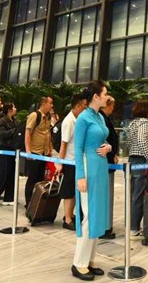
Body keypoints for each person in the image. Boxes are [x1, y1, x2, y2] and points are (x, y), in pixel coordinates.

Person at [71, 80, 112, 281]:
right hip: (88, 168)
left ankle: (90, 260)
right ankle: (79, 262)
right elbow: (77, 150)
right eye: (105, 93)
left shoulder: (99, 117)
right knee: (88, 216)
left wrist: (108, 148)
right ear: (95, 96)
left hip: (101, 167)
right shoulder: (83, 118)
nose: (107, 97)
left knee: (97, 215)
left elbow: (105, 139)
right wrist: (80, 176)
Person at [126, 99, 148, 237]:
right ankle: (134, 227)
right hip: (142, 160)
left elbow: (129, 141)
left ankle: (131, 225)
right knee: (139, 195)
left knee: (134, 194)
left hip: (132, 159)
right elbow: (141, 141)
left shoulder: (133, 123)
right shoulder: (145, 123)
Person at [58, 93, 88, 229]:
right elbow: (63, 144)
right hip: (70, 161)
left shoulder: (79, 119)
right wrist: (60, 163)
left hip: (78, 161)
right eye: (83, 106)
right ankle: (67, 219)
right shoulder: (69, 121)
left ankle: (70, 215)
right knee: (69, 192)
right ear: (77, 106)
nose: (85, 108)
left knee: (75, 191)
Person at [24, 95, 53, 206]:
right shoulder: (34, 115)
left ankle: (37, 200)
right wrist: (27, 150)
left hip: (44, 152)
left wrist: (49, 149)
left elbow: (48, 133)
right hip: (34, 151)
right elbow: (28, 132)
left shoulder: (49, 116)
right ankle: (28, 202)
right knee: (32, 178)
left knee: (41, 179)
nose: (52, 105)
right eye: (50, 103)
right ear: (44, 104)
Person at [99, 95, 119, 239]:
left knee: (106, 194)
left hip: (108, 160)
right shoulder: (101, 120)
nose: (113, 108)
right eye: (111, 105)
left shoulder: (104, 119)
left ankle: (105, 225)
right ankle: (103, 226)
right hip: (104, 161)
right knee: (104, 195)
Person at [0, 102, 19, 206]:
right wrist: (14, 131)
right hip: (4, 149)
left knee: (12, 174)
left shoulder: (15, 121)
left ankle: (9, 198)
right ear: (9, 110)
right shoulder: (2, 120)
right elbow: (1, 134)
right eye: (14, 107)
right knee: (3, 173)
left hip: (12, 149)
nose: (15, 109)